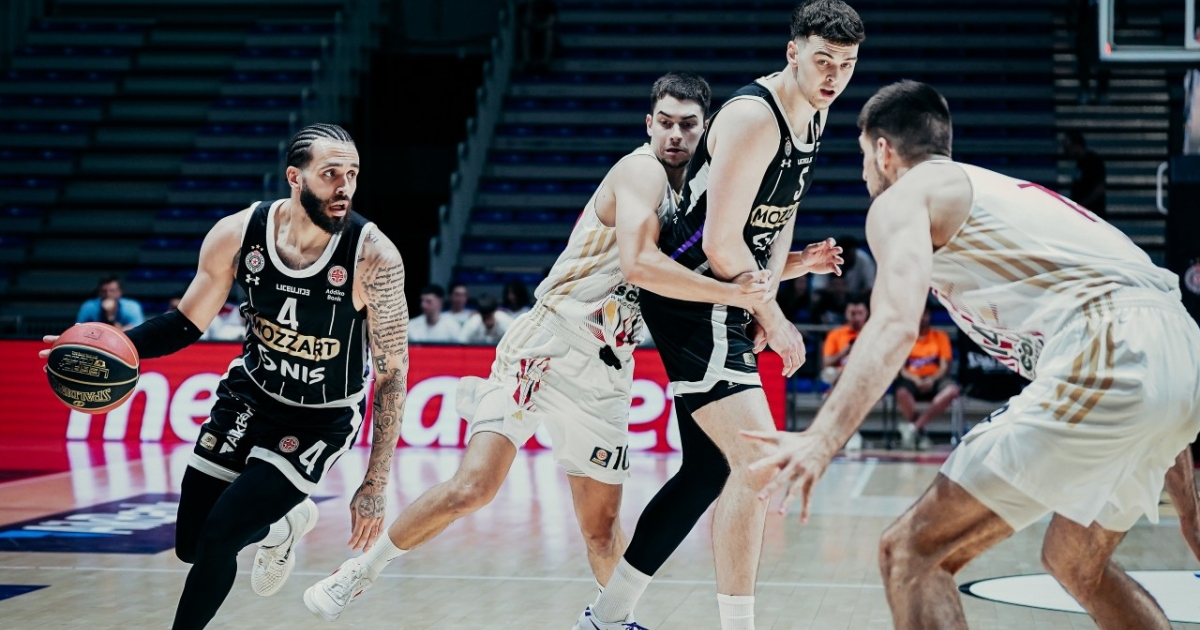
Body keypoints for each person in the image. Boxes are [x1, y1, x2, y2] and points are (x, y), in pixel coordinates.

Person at [303, 72, 841, 626]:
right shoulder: (641, 170)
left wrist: (798, 262)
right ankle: (359, 572)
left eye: (687, 125)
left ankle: (611, 620)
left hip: (606, 370)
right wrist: (742, 299)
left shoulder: (695, 197)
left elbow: (704, 264)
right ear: (649, 124)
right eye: (665, 122)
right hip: (550, 345)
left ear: (704, 132)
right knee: (474, 488)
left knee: (602, 530)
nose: (675, 135)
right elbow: (641, 265)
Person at [745, 80, 1200, 630]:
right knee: (1076, 561)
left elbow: (895, 323)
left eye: (864, 156)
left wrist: (822, 438)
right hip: (1178, 348)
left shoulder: (906, 197)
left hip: (1107, 348)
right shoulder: (1000, 197)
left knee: (911, 553)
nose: (865, 173)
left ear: (883, 151)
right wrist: (1190, 512)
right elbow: (1154, 362)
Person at [44, 123, 409, 629]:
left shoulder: (374, 257)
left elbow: (393, 376)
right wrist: (107, 347)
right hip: (249, 396)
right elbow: (185, 323)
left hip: (319, 418)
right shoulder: (238, 234)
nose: (344, 186)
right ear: (295, 178)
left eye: (352, 174)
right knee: (192, 545)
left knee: (220, 536)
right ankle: (283, 525)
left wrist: (375, 481)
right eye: (330, 174)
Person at [581, 3, 863, 629]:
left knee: (708, 470)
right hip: (694, 293)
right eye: (822, 60)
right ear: (792, 52)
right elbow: (719, 241)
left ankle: (606, 617)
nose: (834, 75)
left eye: (846, 64)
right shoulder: (752, 117)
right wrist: (774, 317)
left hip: (727, 292)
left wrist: (773, 291)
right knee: (760, 466)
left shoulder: (815, 113)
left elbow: (781, 213)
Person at [893, 304, 959, 451]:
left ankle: (913, 428)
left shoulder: (940, 336)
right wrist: (915, 379)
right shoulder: (906, 339)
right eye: (920, 313)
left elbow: (945, 366)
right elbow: (901, 368)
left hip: (935, 378)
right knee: (901, 392)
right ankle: (920, 434)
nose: (923, 318)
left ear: (929, 316)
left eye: (926, 314)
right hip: (912, 379)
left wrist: (932, 379)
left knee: (952, 390)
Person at [819, 293, 868, 386]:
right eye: (853, 313)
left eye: (860, 313)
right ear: (846, 313)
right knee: (829, 373)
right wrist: (843, 353)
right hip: (841, 376)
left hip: (866, 374)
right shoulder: (835, 334)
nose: (857, 317)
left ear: (866, 313)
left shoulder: (873, 334)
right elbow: (826, 363)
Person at [1063, 130, 1106, 218]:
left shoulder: (1093, 161)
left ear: (1076, 145)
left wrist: (1082, 205)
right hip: (1083, 214)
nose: (1066, 150)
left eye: (1068, 146)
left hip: (1092, 215)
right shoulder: (1080, 163)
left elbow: (1099, 189)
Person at [77, 275, 145, 330]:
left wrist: (110, 316)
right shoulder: (89, 307)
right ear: (99, 292)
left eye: (112, 291)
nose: (108, 295)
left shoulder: (132, 307)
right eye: (104, 291)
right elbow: (79, 329)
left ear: (120, 292)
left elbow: (136, 331)